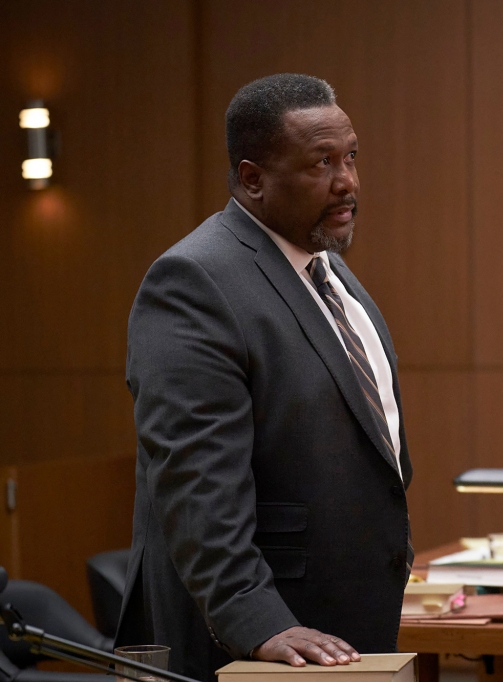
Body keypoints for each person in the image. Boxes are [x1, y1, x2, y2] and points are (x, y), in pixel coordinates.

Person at [116, 74, 413, 681]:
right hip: (253, 643)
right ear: (253, 179)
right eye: (321, 163)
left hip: (343, 625)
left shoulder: (326, 271)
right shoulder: (194, 282)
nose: (348, 181)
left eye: (351, 156)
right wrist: (257, 620)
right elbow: (195, 480)